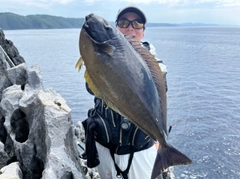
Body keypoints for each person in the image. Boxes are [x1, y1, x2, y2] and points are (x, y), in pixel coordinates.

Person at [82, 5, 168, 179]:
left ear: (143, 32)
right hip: (105, 148)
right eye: (123, 22)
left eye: (137, 24)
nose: (130, 27)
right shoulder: (108, 53)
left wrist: (159, 138)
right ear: (116, 28)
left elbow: (157, 100)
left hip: (139, 153)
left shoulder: (155, 66)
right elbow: (91, 89)